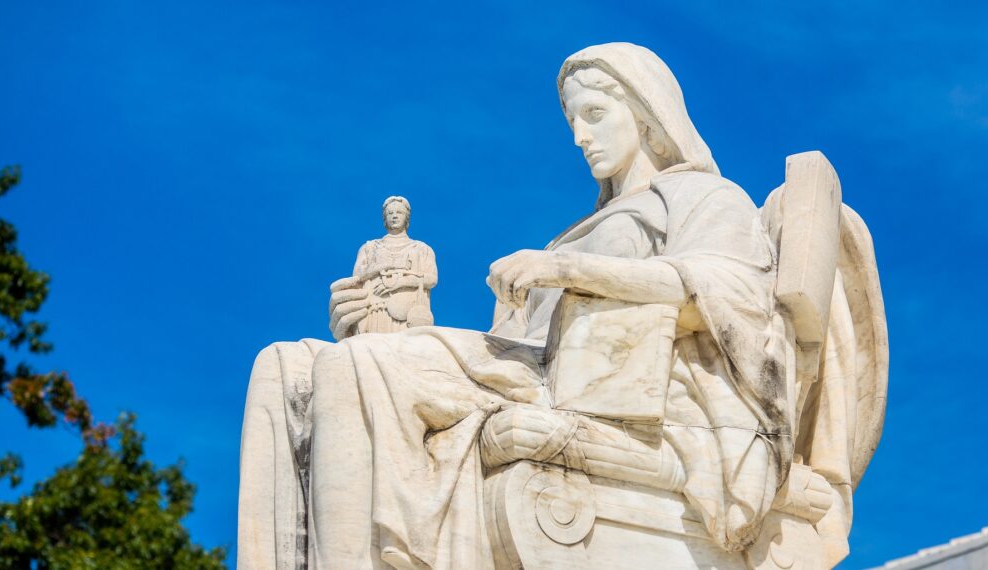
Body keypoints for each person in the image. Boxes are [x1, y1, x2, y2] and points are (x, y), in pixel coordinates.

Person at [309, 42, 795, 570]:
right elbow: (507, 342)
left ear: (647, 114)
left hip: (603, 389)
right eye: (573, 122)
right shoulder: (565, 238)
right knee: (296, 368)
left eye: (595, 113)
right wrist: (376, 324)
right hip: (529, 372)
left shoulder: (704, 196)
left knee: (354, 368)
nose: (580, 136)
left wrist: (567, 270)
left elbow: (730, 291)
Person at [332, 196, 437, 336]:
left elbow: (431, 279)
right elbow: (357, 279)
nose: (394, 216)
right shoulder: (369, 247)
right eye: (390, 213)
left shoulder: (421, 248)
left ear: (406, 217)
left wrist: (400, 282)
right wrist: (379, 267)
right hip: (374, 312)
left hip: (408, 313)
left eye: (399, 212)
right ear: (385, 218)